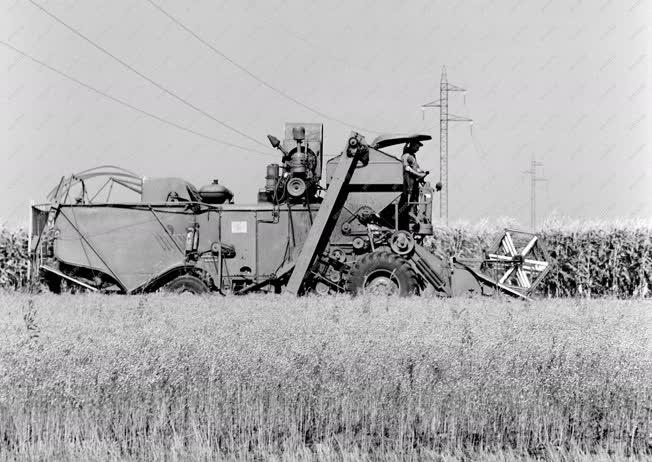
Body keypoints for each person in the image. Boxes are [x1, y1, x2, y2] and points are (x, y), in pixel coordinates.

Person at [398, 140, 428, 230]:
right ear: (412, 145)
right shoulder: (406, 156)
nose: (417, 149)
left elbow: (416, 168)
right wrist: (418, 174)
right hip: (407, 182)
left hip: (413, 183)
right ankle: (408, 218)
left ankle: (413, 216)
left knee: (414, 199)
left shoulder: (413, 156)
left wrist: (422, 173)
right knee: (408, 199)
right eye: (416, 147)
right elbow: (407, 168)